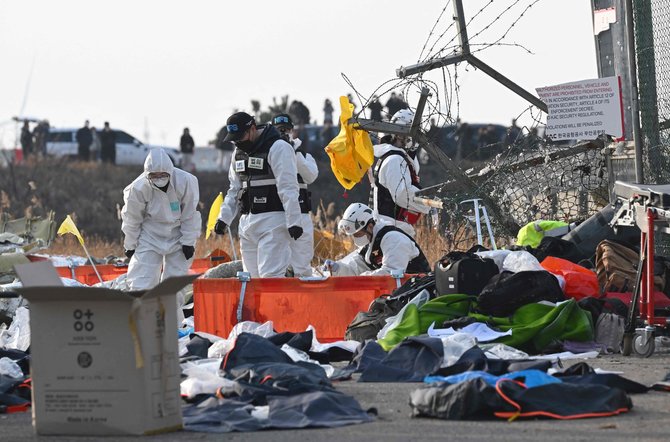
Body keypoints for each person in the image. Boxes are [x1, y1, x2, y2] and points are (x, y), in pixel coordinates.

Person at [214, 111, 302, 278]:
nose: (238, 142)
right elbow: (234, 189)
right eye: (234, 139)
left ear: (252, 129)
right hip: (247, 223)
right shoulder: (237, 153)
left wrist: (294, 221)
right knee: (251, 280)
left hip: (273, 222)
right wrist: (223, 218)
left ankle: (275, 305)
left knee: (271, 278)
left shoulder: (278, 147)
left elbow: (288, 187)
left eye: (241, 136)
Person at [121, 148, 201, 292]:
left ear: (170, 171)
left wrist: (188, 242)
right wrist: (130, 244)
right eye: (154, 176)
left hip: (178, 235)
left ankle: (172, 315)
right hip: (150, 236)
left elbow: (190, 214)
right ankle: (143, 314)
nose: (159, 178)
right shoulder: (137, 188)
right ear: (147, 175)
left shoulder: (186, 181)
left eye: (163, 175)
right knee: (140, 285)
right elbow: (131, 219)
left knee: (174, 289)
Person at [322, 203, 430, 276]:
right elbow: (355, 269)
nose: (356, 238)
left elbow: (392, 273)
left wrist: (363, 278)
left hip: (418, 291)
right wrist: (337, 269)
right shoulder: (370, 244)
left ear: (369, 226)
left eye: (358, 234)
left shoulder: (393, 239)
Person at [371, 109, 431, 238]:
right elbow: (402, 195)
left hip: (394, 228)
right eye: (416, 133)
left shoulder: (396, 157)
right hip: (391, 231)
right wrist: (429, 203)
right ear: (402, 134)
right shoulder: (395, 160)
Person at [272, 113, 318, 277]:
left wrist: (292, 153)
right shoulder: (269, 153)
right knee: (277, 265)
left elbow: (310, 176)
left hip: (301, 213)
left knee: (302, 264)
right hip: (277, 214)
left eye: (286, 130)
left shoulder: (303, 154)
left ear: (292, 131)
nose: (283, 133)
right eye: (279, 130)